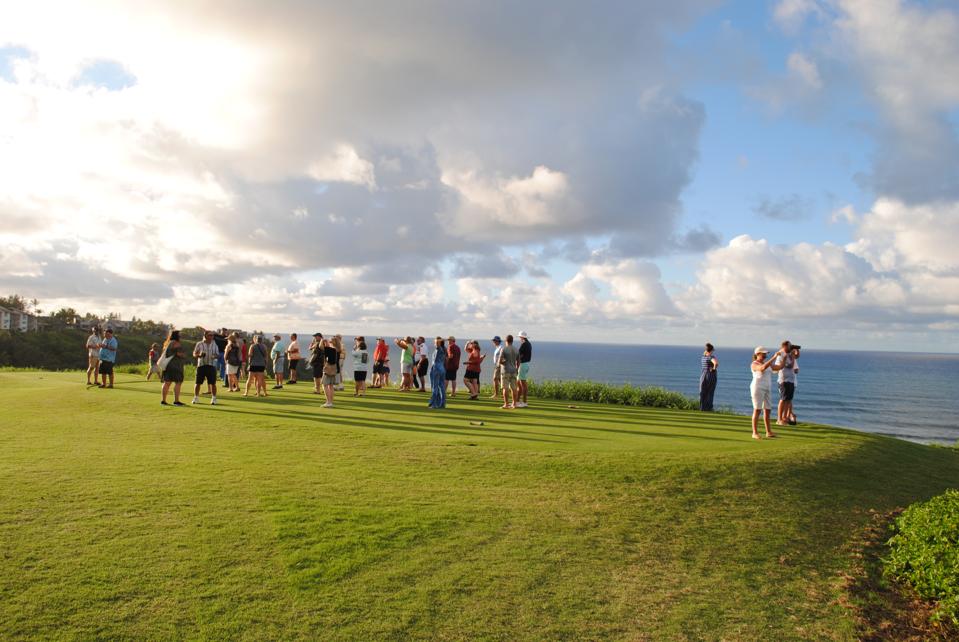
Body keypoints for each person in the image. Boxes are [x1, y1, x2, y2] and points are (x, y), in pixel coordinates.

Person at [750, 346, 779, 439]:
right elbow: (762, 368)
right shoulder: (754, 364)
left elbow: (779, 367)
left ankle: (768, 432)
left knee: (767, 410)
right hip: (757, 388)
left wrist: (785, 356)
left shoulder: (767, 364)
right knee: (757, 410)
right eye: (763, 353)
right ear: (757, 354)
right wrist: (774, 357)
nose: (765, 355)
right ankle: (754, 433)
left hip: (767, 388)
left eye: (766, 353)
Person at [772, 340, 797, 426]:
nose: (790, 347)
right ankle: (779, 419)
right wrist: (792, 357)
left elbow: (796, 358)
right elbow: (788, 365)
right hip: (784, 380)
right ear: (784, 346)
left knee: (788, 400)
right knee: (783, 399)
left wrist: (794, 353)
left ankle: (784, 417)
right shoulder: (780, 355)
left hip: (791, 380)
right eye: (789, 346)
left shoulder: (790, 354)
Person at [192, 329, 220, 405]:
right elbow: (194, 354)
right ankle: (196, 398)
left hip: (211, 365)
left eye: (212, 335)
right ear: (205, 336)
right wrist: (199, 355)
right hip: (201, 365)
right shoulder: (199, 344)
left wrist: (214, 356)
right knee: (198, 383)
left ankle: (214, 398)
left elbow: (217, 355)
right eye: (210, 335)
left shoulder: (214, 344)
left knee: (213, 383)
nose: (211, 337)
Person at [160, 329, 186, 406]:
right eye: (180, 334)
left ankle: (163, 401)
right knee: (178, 382)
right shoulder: (176, 343)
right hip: (176, 365)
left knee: (167, 383)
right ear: (177, 335)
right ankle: (176, 401)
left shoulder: (168, 343)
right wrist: (183, 355)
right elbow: (179, 354)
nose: (181, 336)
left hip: (168, 365)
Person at [498, 334, 520, 409]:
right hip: (514, 370)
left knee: (505, 388)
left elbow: (500, 361)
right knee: (514, 388)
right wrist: (517, 368)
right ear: (512, 341)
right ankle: (514, 404)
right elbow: (518, 361)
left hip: (505, 370)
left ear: (506, 340)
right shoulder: (516, 349)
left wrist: (503, 362)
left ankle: (506, 404)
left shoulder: (504, 349)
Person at [428, 337, 447, 409]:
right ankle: (442, 404)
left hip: (436, 369)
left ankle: (434, 404)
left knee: (435, 387)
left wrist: (439, 340)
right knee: (442, 387)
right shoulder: (444, 349)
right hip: (442, 368)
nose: (434, 344)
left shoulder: (439, 349)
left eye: (435, 342)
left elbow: (438, 345)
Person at [699, 342, 719, 411]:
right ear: (711, 350)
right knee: (710, 392)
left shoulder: (703, 357)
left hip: (703, 375)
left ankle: (702, 407)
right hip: (710, 375)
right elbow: (716, 363)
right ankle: (709, 408)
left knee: (703, 391)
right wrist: (713, 369)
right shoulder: (711, 357)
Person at [321, 336, 339, 407]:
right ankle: (330, 402)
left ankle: (328, 402)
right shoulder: (337, 349)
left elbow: (321, 347)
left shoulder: (331, 349)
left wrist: (322, 340)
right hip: (334, 368)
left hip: (328, 368)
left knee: (324, 385)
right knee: (331, 386)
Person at [516, 331, 532, 408]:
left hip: (523, 364)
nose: (519, 338)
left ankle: (524, 402)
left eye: (520, 337)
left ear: (522, 337)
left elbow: (519, 355)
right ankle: (517, 401)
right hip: (525, 364)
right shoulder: (528, 344)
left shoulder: (524, 344)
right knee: (519, 383)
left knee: (523, 384)